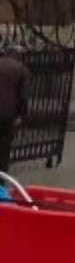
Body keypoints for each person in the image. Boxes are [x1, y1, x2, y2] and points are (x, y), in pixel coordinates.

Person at [0, 41, 29, 174]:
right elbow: (23, 96)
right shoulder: (22, 69)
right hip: (7, 115)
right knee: (4, 149)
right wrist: (21, 116)